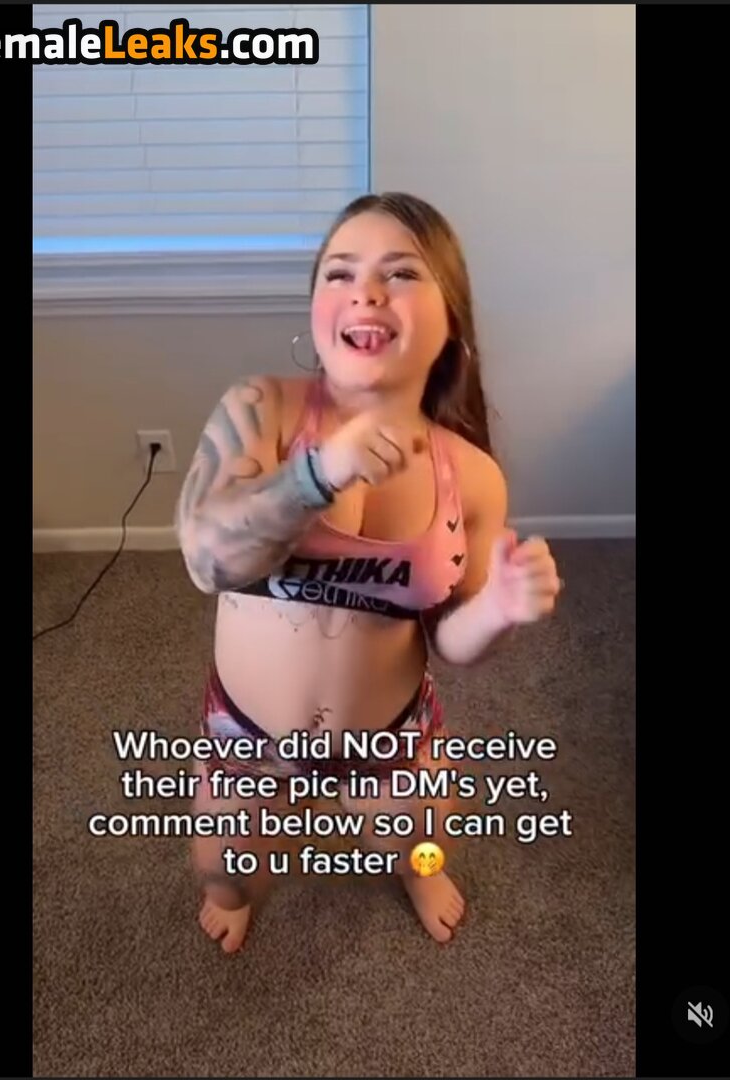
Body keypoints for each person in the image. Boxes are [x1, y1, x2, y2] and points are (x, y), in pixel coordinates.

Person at [175, 191, 561, 953]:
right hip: (248, 731)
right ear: (316, 309)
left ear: (451, 322)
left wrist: (498, 611)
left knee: (422, 846)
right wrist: (317, 475)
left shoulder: (472, 477)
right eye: (339, 272)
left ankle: (416, 873)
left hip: (391, 733)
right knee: (224, 877)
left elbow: (452, 643)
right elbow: (205, 561)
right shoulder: (260, 410)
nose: (365, 291)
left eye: (401, 273)